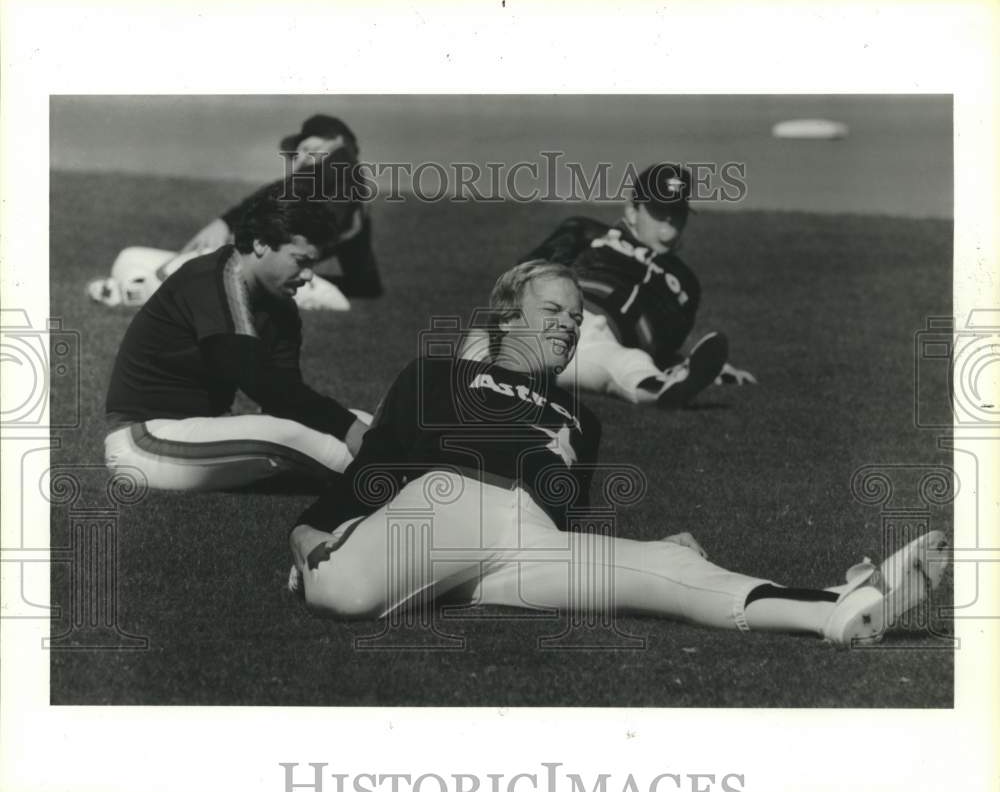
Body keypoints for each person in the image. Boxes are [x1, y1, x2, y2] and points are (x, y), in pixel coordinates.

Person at [287, 260, 948, 646]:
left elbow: (562, 519)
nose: (569, 326)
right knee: (342, 592)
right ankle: (332, 562)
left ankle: (833, 605)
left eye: (577, 319)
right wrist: (312, 525)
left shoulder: (583, 418)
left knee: (669, 568)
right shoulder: (439, 373)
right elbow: (380, 461)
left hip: (524, 542)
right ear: (506, 317)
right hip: (447, 500)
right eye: (553, 311)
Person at [103, 179, 371, 492]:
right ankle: (389, 471)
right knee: (291, 435)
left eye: (313, 262)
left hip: (203, 430)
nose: (310, 275)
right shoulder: (212, 276)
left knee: (362, 420)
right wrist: (347, 427)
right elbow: (256, 377)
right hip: (143, 439)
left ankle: (394, 461)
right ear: (261, 244)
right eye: (301, 261)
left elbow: (285, 396)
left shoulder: (282, 306)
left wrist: (354, 425)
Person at [517, 163, 756, 408]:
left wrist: (695, 366)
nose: (668, 223)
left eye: (677, 213)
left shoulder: (686, 284)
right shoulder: (586, 231)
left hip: (600, 345)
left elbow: (662, 349)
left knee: (629, 362)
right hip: (556, 316)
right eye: (658, 211)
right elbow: (523, 276)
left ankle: (667, 389)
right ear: (633, 210)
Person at [89, 114, 381, 311]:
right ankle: (140, 288)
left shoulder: (342, 171)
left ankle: (135, 293)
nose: (301, 158)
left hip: (281, 281)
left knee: (206, 266)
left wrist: (226, 222)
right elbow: (366, 284)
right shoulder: (318, 185)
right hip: (264, 275)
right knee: (129, 257)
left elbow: (295, 188)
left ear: (338, 143)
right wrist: (224, 223)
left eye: (309, 148)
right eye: (298, 153)